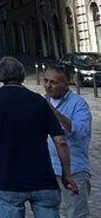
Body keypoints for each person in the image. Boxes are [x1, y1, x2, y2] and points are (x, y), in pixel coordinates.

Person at [0, 56, 78, 217]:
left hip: (8, 178)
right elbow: (61, 140)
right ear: (22, 75)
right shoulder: (39, 101)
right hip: (43, 178)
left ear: (0, 75)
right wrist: (67, 175)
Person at [44, 65, 92, 218]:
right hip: (47, 169)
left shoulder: (78, 104)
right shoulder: (42, 101)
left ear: (66, 83)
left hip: (74, 170)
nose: (48, 85)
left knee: (76, 214)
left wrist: (54, 111)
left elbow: (81, 130)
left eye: (54, 82)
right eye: (46, 81)